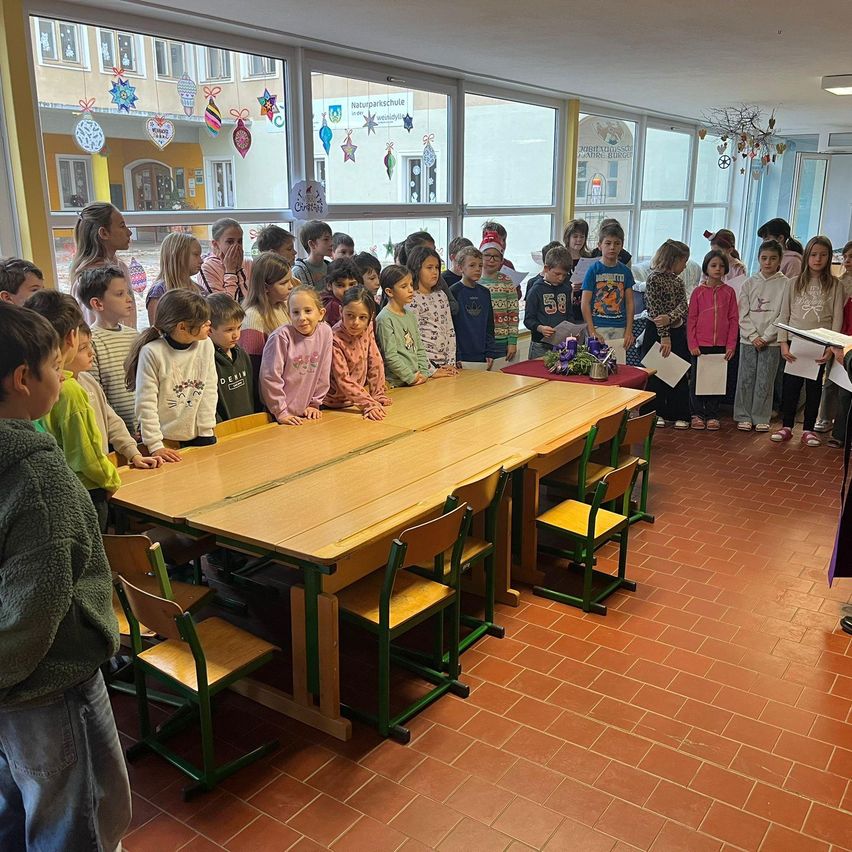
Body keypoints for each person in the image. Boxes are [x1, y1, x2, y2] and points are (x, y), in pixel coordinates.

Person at [0, 302, 131, 851]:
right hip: (49, 686)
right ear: (23, 379)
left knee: (16, 806)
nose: (63, 375)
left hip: (11, 694)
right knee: (79, 820)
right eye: (56, 364)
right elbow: (34, 611)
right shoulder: (38, 477)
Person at [25, 291, 120, 529]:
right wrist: (111, 480)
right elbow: (85, 453)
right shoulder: (70, 389)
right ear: (72, 337)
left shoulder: (36, 385)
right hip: (85, 489)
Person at [126, 289, 217, 459]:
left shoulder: (206, 345)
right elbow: (146, 403)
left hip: (199, 434)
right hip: (165, 441)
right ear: (182, 327)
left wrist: (206, 430)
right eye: (203, 322)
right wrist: (154, 445)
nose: (209, 324)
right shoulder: (152, 352)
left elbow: (209, 389)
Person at [773, 236, 845, 446]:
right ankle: (786, 425)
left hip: (820, 345)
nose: (818, 259)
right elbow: (784, 315)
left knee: (813, 389)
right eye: (813, 255)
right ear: (807, 257)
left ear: (829, 257)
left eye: (823, 255)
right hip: (795, 343)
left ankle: (808, 429)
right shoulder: (793, 283)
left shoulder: (835, 285)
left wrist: (832, 347)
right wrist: (783, 343)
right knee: (790, 387)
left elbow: (837, 320)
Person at [72, 323, 160, 469]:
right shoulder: (65, 391)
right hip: (87, 476)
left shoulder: (88, 380)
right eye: (82, 348)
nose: (91, 352)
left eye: (90, 345)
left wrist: (134, 454)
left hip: (103, 469)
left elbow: (111, 420)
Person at [77, 265, 139, 435]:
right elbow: (97, 393)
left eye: (128, 293)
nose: (129, 299)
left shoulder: (134, 336)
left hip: (146, 427)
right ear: (97, 303)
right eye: (120, 294)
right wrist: (120, 431)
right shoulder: (91, 342)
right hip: (117, 434)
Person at [734, 240, 788, 432]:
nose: (768, 262)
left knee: (766, 379)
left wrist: (766, 337)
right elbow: (742, 312)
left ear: (780, 260)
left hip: (771, 341)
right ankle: (743, 415)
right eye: (764, 258)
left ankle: (761, 415)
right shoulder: (749, 283)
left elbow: (784, 313)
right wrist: (753, 335)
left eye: (773, 258)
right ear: (758, 259)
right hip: (748, 340)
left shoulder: (785, 284)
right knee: (746, 377)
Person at [259, 285, 332, 425]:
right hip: (280, 415)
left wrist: (314, 404)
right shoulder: (280, 337)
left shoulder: (325, 332)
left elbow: (323, 371)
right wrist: (280, 412)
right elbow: (270, 377)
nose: (302, 318)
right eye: (296, 312)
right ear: (289, 315)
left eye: (308, 311)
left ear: (321, 313)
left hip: (307, 413)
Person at [641, 240, 692, 429]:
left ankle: (678, 412)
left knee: (676, 372)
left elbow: (683, 306)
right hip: (656, 332)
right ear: (673, 259)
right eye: (683, 261)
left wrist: (670, 318)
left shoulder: (678, 281)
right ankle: (656, 412)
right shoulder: (654, 279)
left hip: (675, 329)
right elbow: (654, 310)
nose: (685, 265)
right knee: (656, 373)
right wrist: (664, 334)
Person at [687, 251, 739, 430]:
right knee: (697, 380)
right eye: (713, 265)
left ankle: (712, 414)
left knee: (716, 381)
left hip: (721, 345)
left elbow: (733, 319)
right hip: (701, 345)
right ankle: (696, 413)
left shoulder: (729, 292)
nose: (718, 269)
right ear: (706, 268)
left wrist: (731, 344)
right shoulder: (698, 293)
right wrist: (692, 344)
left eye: (721, 266)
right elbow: (691, 320)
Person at [325, 286, 392, 420]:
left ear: (370, 317)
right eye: (350, 315)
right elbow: (343, 379)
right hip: (334, 403)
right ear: (340, 311)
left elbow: (375, 360)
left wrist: (377, 393)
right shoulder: (334, 338)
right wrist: (368, 403)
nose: (356, 322)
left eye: (362, 317)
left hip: (358, 399)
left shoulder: (367, 327)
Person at [69, 201, 136, 328]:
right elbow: (91, 326)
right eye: (122, 226)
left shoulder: (121, 267)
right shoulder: (87, 279)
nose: (129, 232)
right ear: (104, 233)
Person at [240, 252, 293, 397]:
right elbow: (254, 369)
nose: (290, 286)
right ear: (265, 287)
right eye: (283, 283)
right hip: (271, 395)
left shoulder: (285, 306)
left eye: (290, 280)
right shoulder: (253, 317)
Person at [376, 265, 435, 387]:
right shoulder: (385, 318)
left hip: (416, 379)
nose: (410, 290)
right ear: (389, 291)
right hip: (396, 383)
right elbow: (390, 356)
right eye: (404, 286)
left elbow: (419, 347)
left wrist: (424, 372)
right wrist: (410, 377)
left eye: (411, 285)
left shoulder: (410, 315)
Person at [581, 221, 635, 352]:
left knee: (618, 367)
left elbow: (629, 303)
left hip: (620, 327)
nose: (612, 247)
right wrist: (591, 330)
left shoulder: (626, 272)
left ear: (622, 246)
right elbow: (585, 303)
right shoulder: (593, 270)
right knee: (597, 366)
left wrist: (629, 331)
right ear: (600, 245)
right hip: (598, 326)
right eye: (608, 243)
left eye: (617, 243)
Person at [815, 241, 852, 434]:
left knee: (848, 383)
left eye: (851, 257)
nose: (847, 261)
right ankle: (825, 417)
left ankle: (842, 423)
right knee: (831, 380)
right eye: (845, 257)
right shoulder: (838, 281)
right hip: (838, 337)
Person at [408, 245, 457, 371]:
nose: (434, 272)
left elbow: (450, 330)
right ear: (416, 269)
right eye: (429, 268)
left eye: (437, 268)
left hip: (444, 363)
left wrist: (451, 362)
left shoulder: (441, 295)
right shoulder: (410, 298)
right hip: (424, 366)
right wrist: (430, 370)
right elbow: (413, 338)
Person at [208, 293, 255, 422]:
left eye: (239, 328)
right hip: (224, 429)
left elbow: (252, 389)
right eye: (229, 330)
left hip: (250, 423)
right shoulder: (207, 361)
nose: (236, 335)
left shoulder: (242, 354)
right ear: (209, 330)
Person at [524, 245, 577, 360]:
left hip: (562, 344)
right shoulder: (536, 289)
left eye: (564, 275)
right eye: (557, 274)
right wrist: (540, 328)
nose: (561, 278)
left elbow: (569, 314)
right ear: (547, 268)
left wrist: (573, 330)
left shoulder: (566, 288)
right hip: (540, 345)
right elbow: (528, 319)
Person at [450, 247, 499, 369]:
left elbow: (489, 325)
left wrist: (490, 351)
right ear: (461, 268)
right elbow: (451, 327)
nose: (477, 269)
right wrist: (456, 355)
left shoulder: (485, 292)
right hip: (462, 355)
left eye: (480, 266)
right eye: (472, 265)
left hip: (482, 354)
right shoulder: (454, 292)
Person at [145, 232, 204, 325]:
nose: (201, 261)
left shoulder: (200, 290)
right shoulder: (159, 292)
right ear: (178, 255)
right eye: (196, 254)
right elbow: (156, 331)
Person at [479, 231, 519, 362]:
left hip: (502, 341)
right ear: (480, 257)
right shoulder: (475, 280)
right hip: (480, 340)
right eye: (487, 256)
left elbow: (513, 314)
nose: (491, 260)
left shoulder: (507, 281)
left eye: (496, 257)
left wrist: (512, 341)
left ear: (502, 260)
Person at [199, 218, 253, 300]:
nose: (236, 246)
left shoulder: (248, 263)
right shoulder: (208, 268)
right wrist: (230, 272)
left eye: (239, 241)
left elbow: (253, 298)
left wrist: (239, 270)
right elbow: (224, 307)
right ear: (216, 244)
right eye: (230, 242)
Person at [322, 257, 362, 327]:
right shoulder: (334, 306)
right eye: (340, 285)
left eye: (352, 284)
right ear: (329, 286)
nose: (347, 290)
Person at [292, 220, 332, 288]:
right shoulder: (298, 272)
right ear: (312, 244)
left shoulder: (330, 267)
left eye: (331, 239)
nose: (331, 243)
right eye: (326, 239)